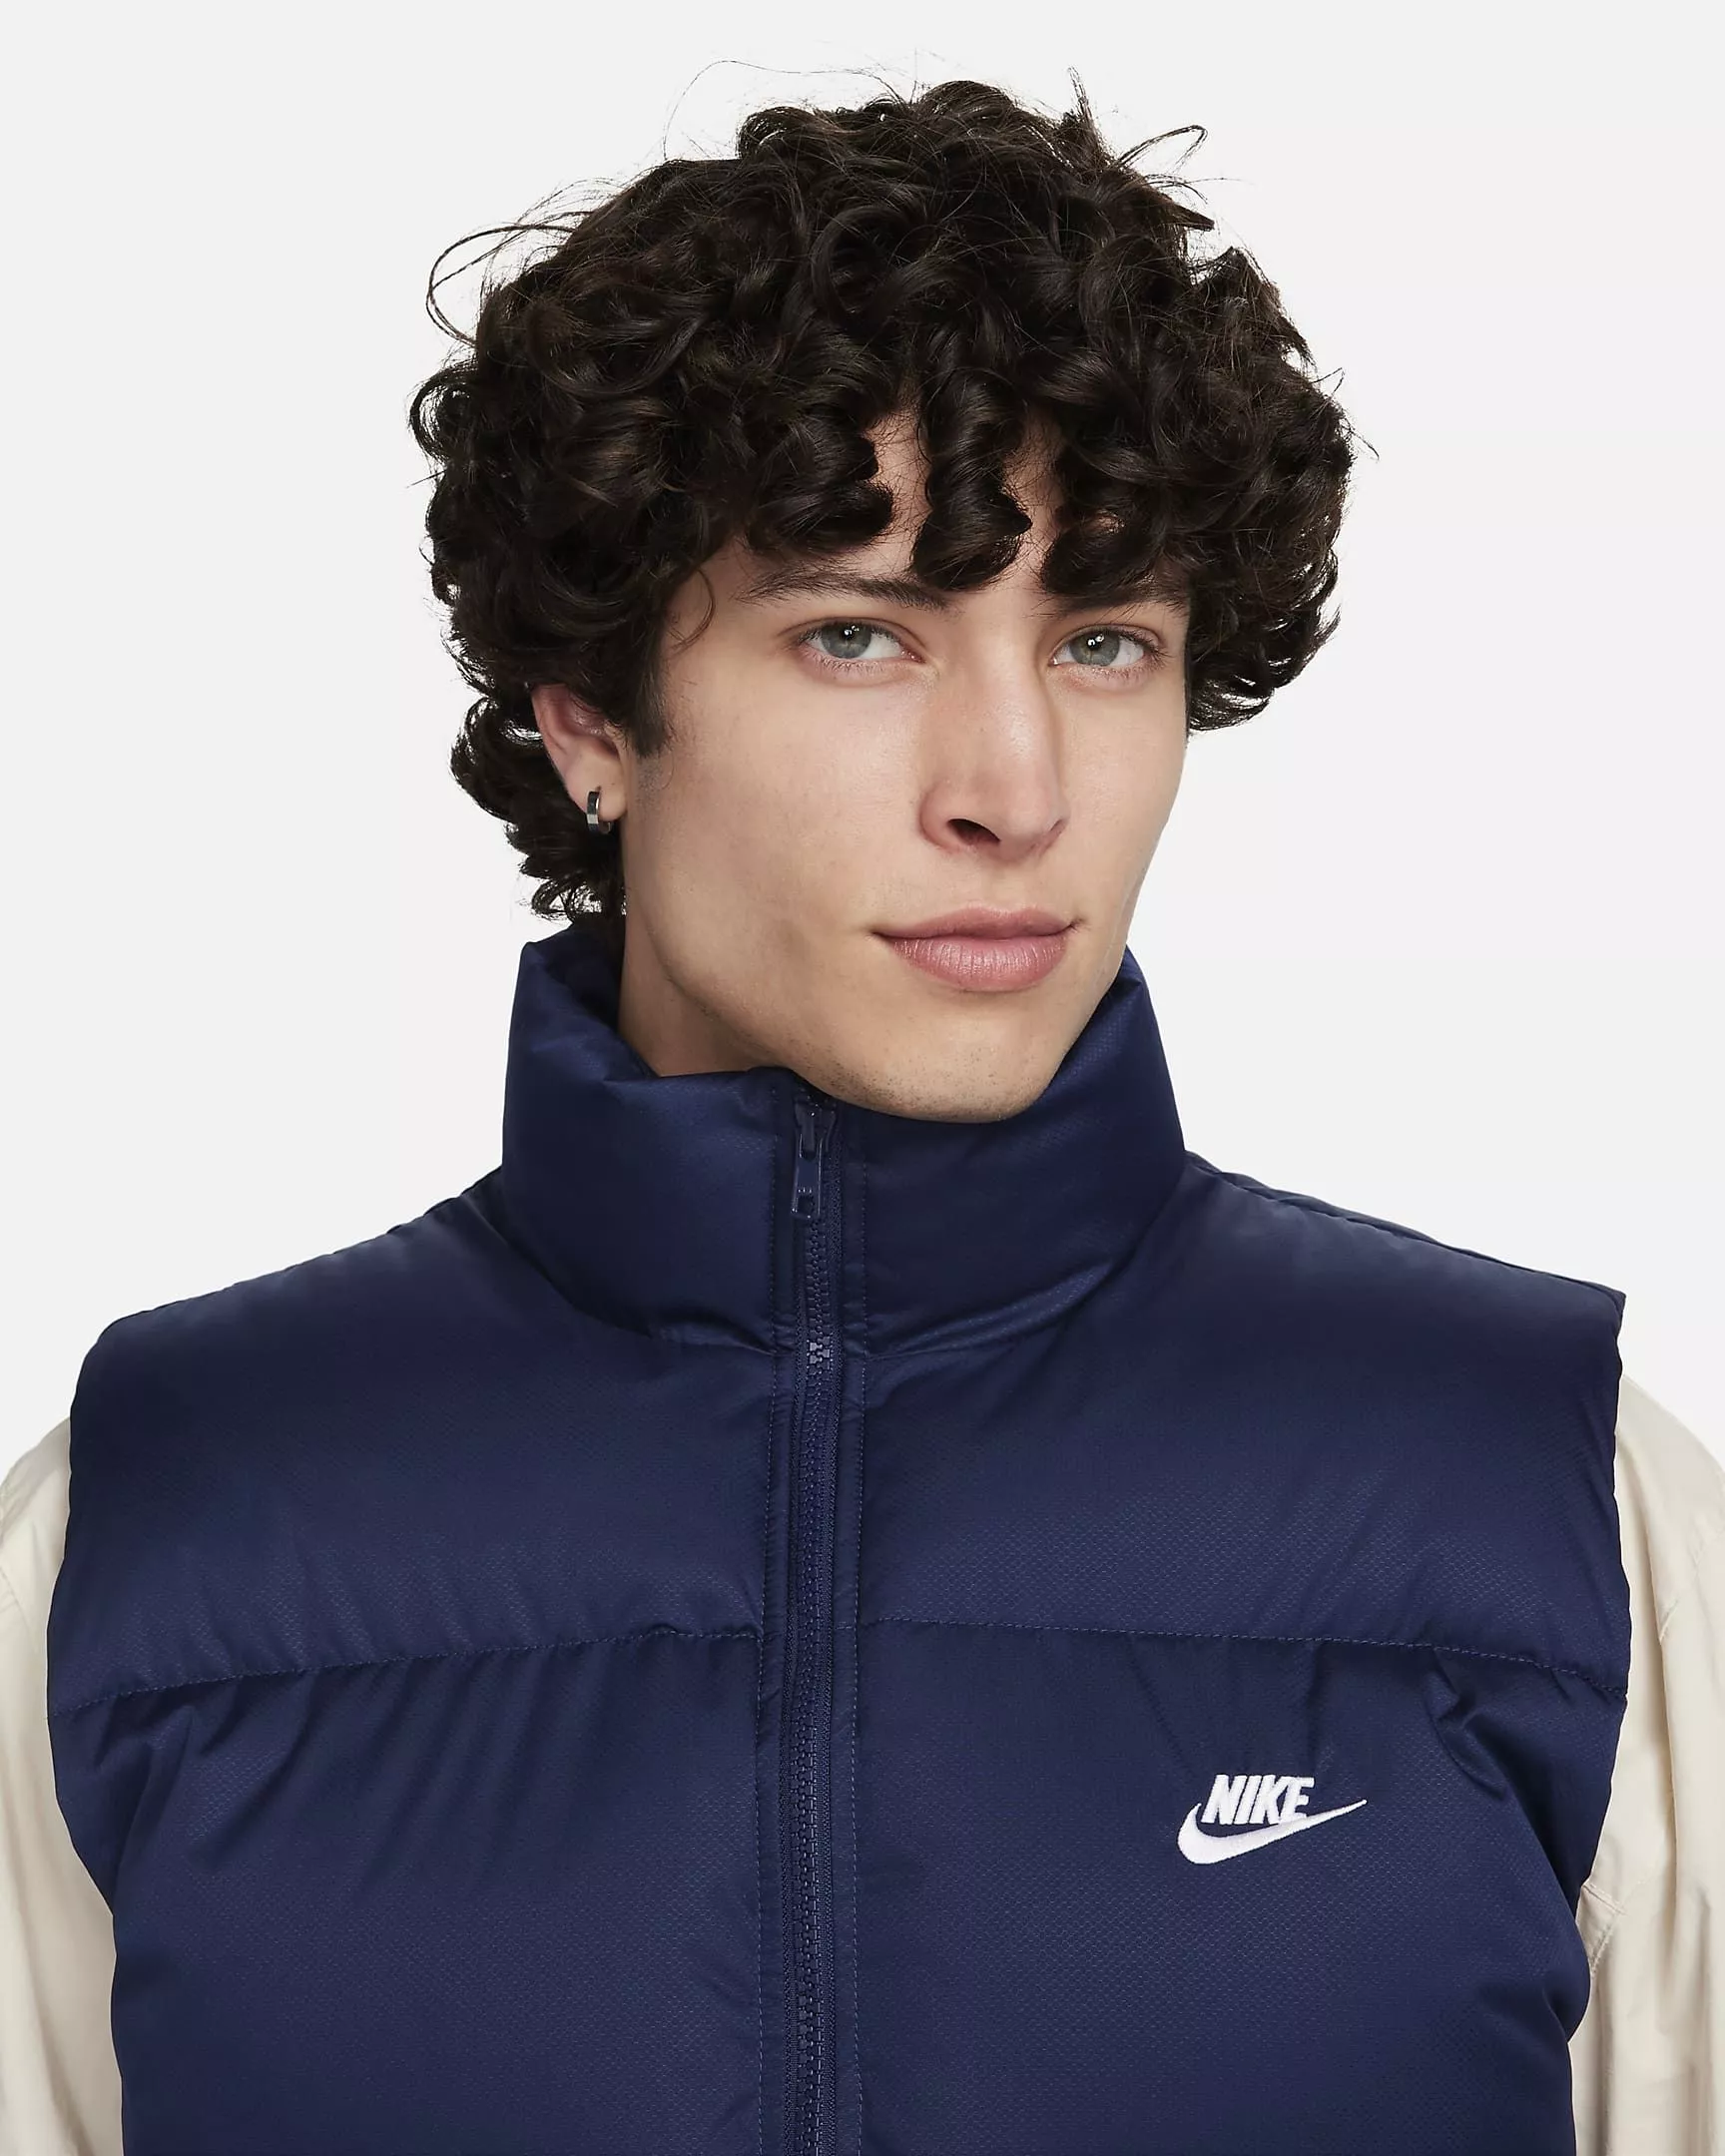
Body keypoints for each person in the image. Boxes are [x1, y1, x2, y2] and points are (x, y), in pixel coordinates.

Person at [2, 73, 1720, 2156]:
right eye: (856, 635)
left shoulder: (1556, 1504)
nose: (1014, 789)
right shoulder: (150, 1530)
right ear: (589, 718)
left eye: (1104, 642)